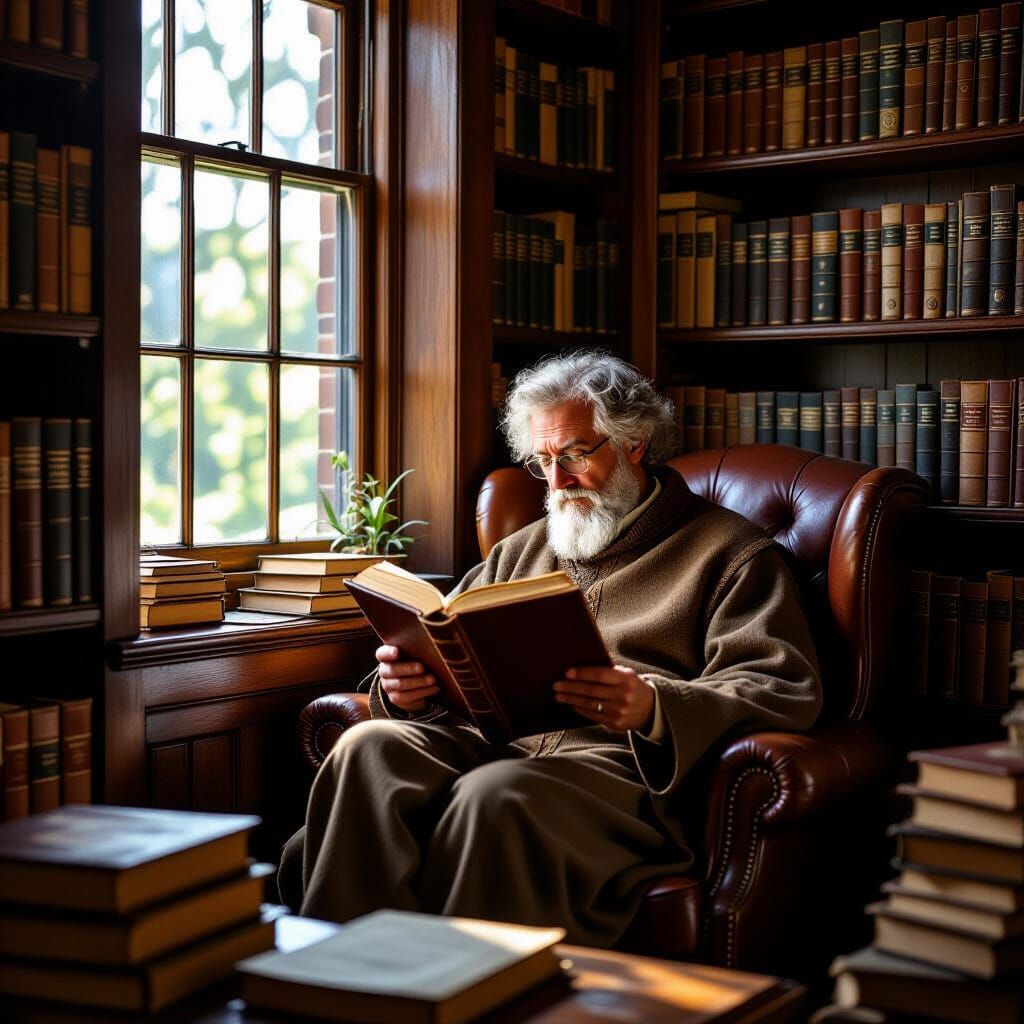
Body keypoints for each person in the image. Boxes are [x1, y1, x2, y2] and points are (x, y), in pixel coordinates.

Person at [278, 350, 822, 947]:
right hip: (491, 742)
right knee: (368, 745)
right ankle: (338, 980)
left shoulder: (731, 554)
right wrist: (406, 688)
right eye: (543, 461)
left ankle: (462, 994)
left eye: (574, 456)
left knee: (495, 797)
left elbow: (780, 685)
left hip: (616, 773)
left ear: (635, 443)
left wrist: (652, 706)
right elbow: (448, 635)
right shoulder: (521, 549)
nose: (557, 482)